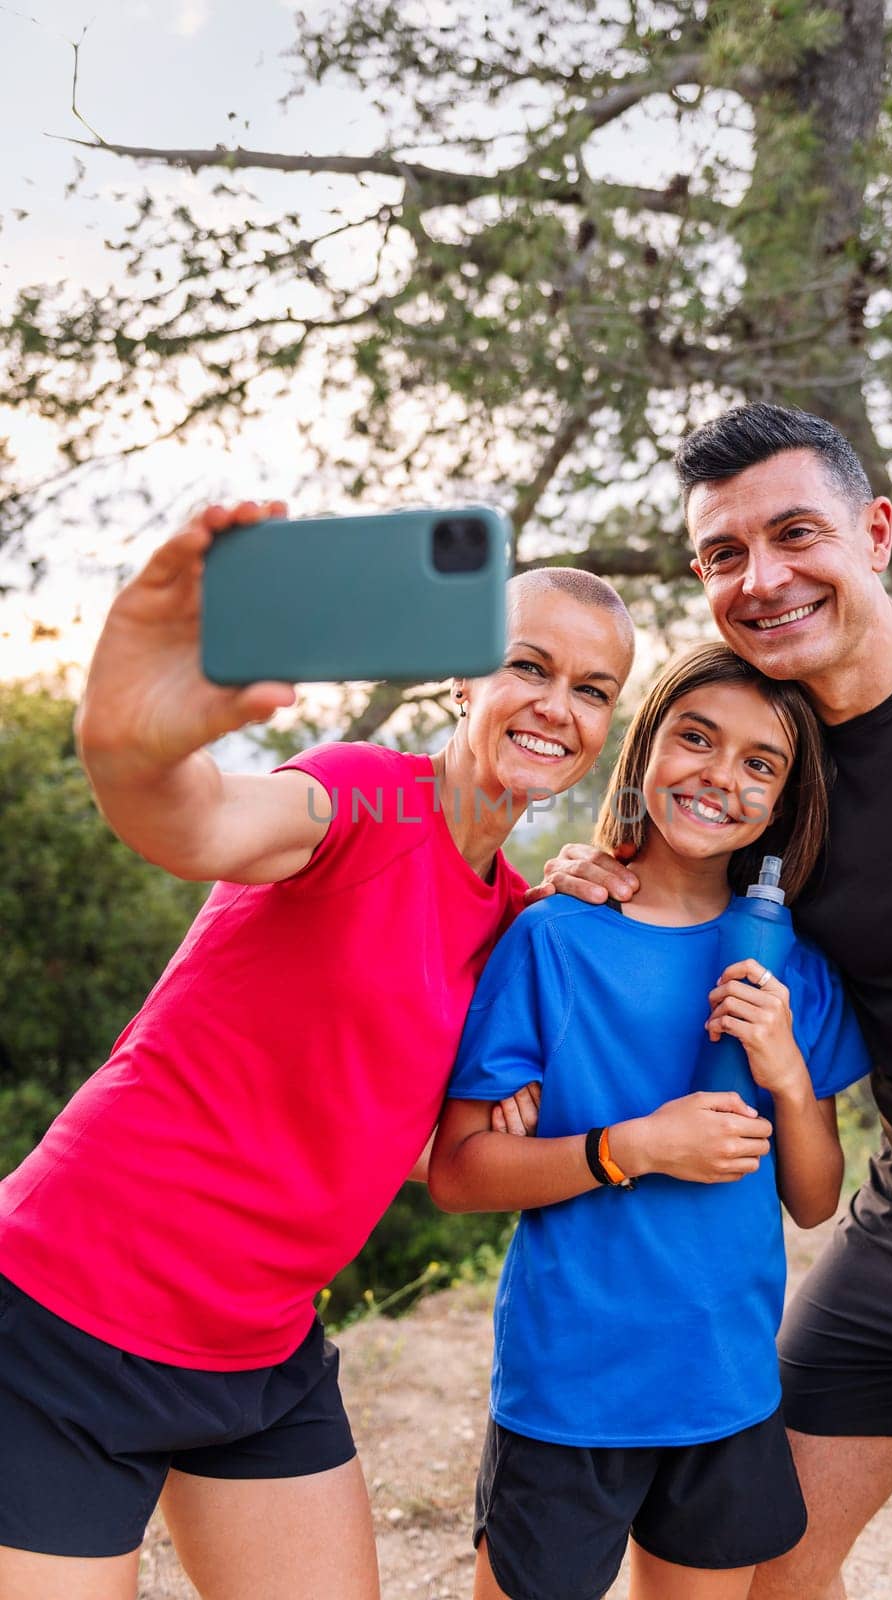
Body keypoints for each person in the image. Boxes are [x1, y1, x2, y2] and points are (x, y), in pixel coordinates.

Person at [0, 499, 636, 1600]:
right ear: (461, 680)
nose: (555, 706)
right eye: (527, 665)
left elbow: (435, 1161)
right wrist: (129, 734)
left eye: (591, 690)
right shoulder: (360, 797)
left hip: (258, 1349)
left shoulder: (515, 922)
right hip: (67, 1314)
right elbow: (193, 823)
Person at [540, 404, 892, 1600]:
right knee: (758, 1562)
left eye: (793, 534)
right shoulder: (771, 759)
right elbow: (674, 857)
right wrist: (597, 862)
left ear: (872, 532)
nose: (762, 578)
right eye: (724, 554)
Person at [429, 641, 871, 1600]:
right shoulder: (553, 936)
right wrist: (635, 1147)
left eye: (761, 763)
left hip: (724, 1385)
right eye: (695, 738)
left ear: (786, 800)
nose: (720, 776)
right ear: (643, 749)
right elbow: (458, 1173)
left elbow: (811, 1200)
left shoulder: (794, 965)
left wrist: (788, 1078)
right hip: (567, 1386)